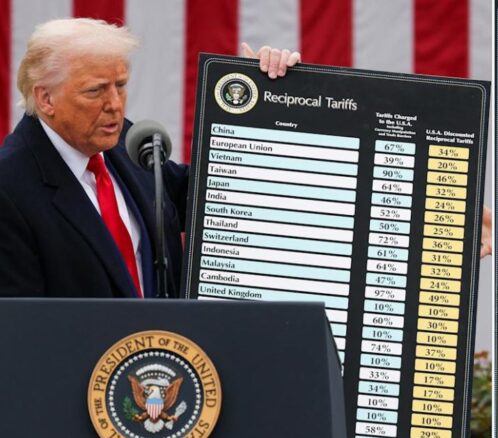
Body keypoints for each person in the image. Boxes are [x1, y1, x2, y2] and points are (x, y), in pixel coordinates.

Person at [0, 18, 298, 297]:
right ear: (46, 98)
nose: (115, 105)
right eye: (95, 91)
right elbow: (21, 323)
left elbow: (214, 198)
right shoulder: (9, 186)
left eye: (120, 85)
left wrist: (265, 101)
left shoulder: (127, 143)